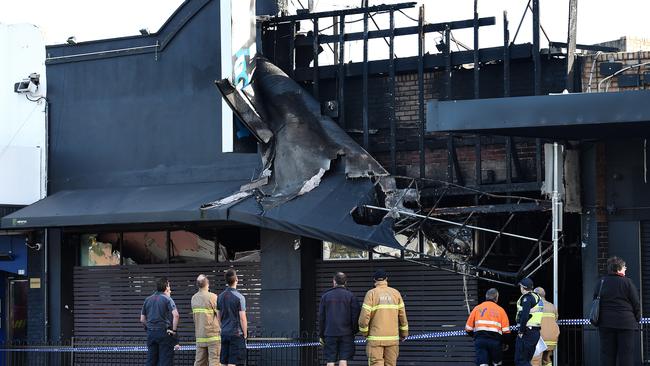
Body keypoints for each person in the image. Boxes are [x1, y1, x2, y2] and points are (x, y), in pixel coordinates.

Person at [595, 256, 641, 366]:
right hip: (626, 324)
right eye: (624, 267)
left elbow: (595, 301)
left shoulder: (601, 282)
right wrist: (637, 318)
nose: (626, 268)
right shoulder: (628, 283)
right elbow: (636, 303)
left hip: (606, 324)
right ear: (618, 268)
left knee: (607, 356)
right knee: (626, 356)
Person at [358, 269, 408, 366]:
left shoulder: (371, 293)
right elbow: (402, 316)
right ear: (386, 279)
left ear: (374, 280)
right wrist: (404, 334)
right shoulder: (396, 293)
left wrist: (365, 333)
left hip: (375, 339)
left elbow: (364, 318)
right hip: (393, 339)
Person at [319, 272, 361, 366]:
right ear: (345, 282)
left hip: (329, 333)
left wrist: (322, 334)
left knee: (330, 360)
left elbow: (321, 317)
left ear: (334, 282)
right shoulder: (351, 296)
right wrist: (354, 330)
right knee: (343, 359)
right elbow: (355, 316)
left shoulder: (325, 296)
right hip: (346, 333)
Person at [465, 288, 511, 366]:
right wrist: (505, 343)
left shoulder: (477, 308)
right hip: (495, 342)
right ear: (496, 298)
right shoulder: (501, 310)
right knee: (497, 363)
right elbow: (506, 332)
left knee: (482, 364)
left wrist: (476, 337)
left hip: (480, 341)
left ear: (486, 297)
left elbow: (468, 329)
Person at [140, 277, 180, 366]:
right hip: (164, 332)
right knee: (165, 360)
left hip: (151, 333)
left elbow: (142, 319)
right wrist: (173, 331)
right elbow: (176, 315)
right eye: (169, 286)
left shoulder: (147, 299)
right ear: (166, 287)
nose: (170, 288)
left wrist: (149, 327)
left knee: (151, 360)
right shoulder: (167, 299)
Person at [217, 268, 248, 366]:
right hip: (236, 334)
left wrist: (222, 328)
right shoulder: (240, 297)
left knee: (224, 362)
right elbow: (242, 318)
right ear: (236, 279)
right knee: (233, 362)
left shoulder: (220, 297)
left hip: (224, 333)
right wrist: (245, 334)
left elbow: (218, 316)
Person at [192, 274, 221, 366]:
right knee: (214, 361)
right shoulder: (213, 297)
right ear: (207, 284)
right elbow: (220, 316)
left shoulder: (194, 298)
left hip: (200, 336)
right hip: (213, 337)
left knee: (199, 362)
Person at [514, 277, 544, 366]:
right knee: (525, 360)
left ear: (523, 287)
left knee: (520, 361)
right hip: (534, 332)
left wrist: (521, 331)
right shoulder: (537, 297)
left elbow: (525, 315)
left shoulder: (527, 298)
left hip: (527, 332)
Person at [531, 287, 559, 366]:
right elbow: (555, 319)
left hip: (540, 339)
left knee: (535, 361)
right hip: (552, 339)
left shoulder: (535, 306)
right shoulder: (552, 306)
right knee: (546, 359)